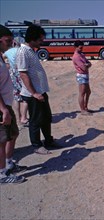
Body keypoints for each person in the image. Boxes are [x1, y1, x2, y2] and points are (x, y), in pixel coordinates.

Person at [17, 24, 58, 155]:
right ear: (32, 39)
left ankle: (48, 141)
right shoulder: (23, 52)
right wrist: (34, 93)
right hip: (33, 94)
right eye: (40, 40)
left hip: (40, 92)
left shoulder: (31, 51)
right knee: (36, 120)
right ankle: (37, 145)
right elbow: (23, 74)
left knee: (46, 118)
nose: (42, 42)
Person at [0, 24, 26, 184]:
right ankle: (2, 174)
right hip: (2, 108)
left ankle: (9, 163)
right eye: (8, 40)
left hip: (7, 105)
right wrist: (3, 109)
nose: (11, 43)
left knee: (13, 134)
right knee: (1, 141)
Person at [2, 37, 29, 127]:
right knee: (25, 96)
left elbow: (3, 58)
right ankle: (24, 117)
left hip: (12, 73)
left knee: (16, 97)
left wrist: (8, 63)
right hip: (20, 72)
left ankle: (18, 118)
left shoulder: (7, 52)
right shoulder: (21, 51)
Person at [72, 40, 92, 116]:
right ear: (76, 47)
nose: (81, 49)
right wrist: (87, 65)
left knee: (88, 92)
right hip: (81, 76)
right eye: (80, 48)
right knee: (82, 93)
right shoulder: (76, 56)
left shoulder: (81, 54)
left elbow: (89, 63)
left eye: (82, 48)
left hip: (85, 75)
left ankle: (85, 107)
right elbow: (84, 67)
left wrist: (87, 65)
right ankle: (82, 110)